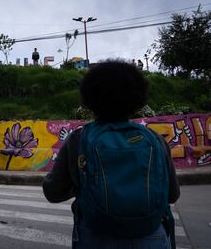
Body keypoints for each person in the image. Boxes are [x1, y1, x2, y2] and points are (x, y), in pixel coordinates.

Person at [42, 59, 180, 249]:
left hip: (96, 236)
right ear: (138, 98)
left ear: (89, 98)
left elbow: (53, 192)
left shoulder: (78, 139)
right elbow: (172, 195)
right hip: (151, 237)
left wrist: (84, 184)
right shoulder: (155, 139)